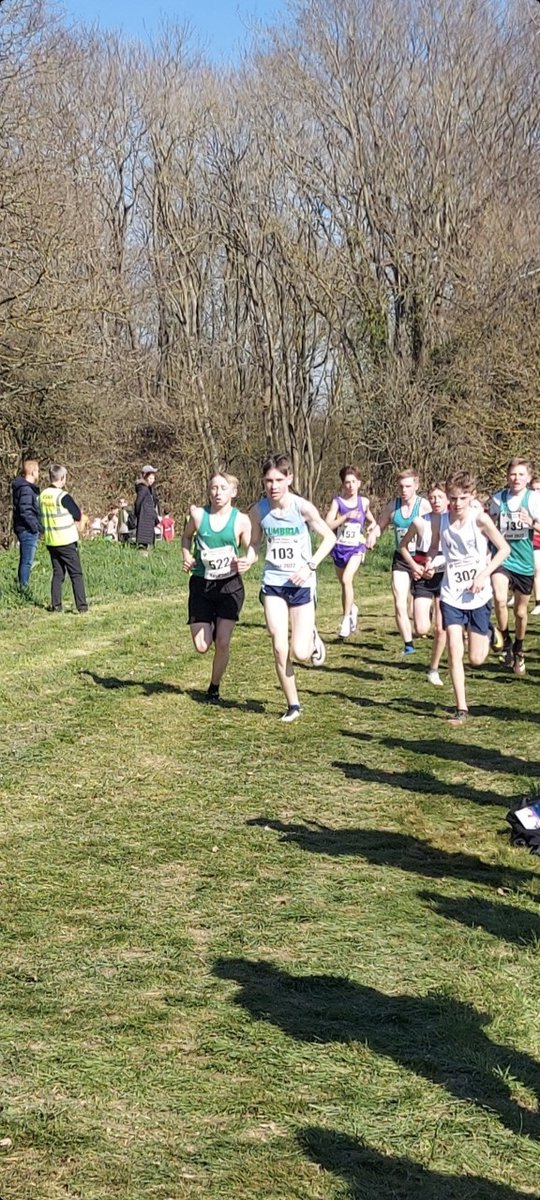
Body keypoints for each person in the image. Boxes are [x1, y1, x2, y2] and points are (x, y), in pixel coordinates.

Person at [246, 453, 336, 722]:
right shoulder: (259, 511)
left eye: (278, 480)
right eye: (268, 481)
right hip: (273, 584)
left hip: (301, 584)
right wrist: (247, 560)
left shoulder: (303, 508)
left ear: (289, 479)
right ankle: (293, 704)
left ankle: (311, 636)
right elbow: (254, 544)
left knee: (301, 652)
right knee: (279, 646)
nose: (272, 486)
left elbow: (329, 538)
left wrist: (310, 565)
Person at [426, 471, 509, 725]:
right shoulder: (441, 521)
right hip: (452, 595)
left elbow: (504, 549)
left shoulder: (480, 519)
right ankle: (461, 708)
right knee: (454, 649)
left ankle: (490, 630)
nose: (457, 503)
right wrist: (431, 561)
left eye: (462, 498)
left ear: (471, 496)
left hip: (478, 595)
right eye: (453, 498)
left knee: (476, 658)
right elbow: (435, 546)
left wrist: (484, 574)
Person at [182, 472, 251, 703]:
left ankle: (214, 687)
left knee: (222, 642)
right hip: (202, 584)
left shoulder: (241, 519)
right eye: (213, 488)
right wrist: (186, 556)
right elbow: (186, 537)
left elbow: (252, 549)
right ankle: (210, 621)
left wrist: (247, 561)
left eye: (223, 487)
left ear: (233, 492)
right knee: (202, 646)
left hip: (229, 586)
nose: (217, 492)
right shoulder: (199, 515)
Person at [367, 469, 431, 654]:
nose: (404, 490)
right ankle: (408, 645)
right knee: (399, 602)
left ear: (416, 486)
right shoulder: (392, 507)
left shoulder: (424, 506)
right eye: (401, 486)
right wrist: (373, 535)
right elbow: (380, 525)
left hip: (421, 559)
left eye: (408, 486)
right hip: (401, 560)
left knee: (422, 625)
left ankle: (427, 613)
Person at [489, 458, 540, 675]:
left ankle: (519, 648)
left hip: (524, 561)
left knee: (520, 612)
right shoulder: (497, 499)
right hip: (503, 558)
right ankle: (506, 642)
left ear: (528, 478)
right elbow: (488, 525)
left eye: (520, 475)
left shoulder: (534, 499)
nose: (516, 478)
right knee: (500, 599)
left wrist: (532, 523)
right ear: (507, 476)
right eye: (512, 474)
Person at [399, 482, 448, 686]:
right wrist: (414, 566)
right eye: (433, 497)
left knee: (440, 628)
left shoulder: (452, 521)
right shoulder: (420, 522)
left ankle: (433, 669)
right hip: (423, 575)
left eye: (440, 497)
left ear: (447, 499)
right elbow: (402, 546)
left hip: (445, 576)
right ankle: (426, 610)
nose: (436, 501)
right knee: (421, 628)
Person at [325, 466, 376, 638]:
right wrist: (345, 517)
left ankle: (346, 620)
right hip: (339, 548)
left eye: (353, 482)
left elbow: (373, 521)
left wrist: (371, 530)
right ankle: (352, 608)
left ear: (359, 483)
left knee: (347, 579)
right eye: (347, 482)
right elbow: (327, 525)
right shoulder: (337, 502)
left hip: (356, 548)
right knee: (344, 584)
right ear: (343, 485)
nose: (350, 486)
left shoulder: (364, 502)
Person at [39, 464, 89, 613]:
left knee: (58, 573)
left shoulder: (42, 495)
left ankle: (56, 605)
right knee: (76, 574)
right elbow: (77, 514)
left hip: (51, 540)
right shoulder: (63, 496)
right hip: (66, 539)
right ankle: (82, 606)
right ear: (62, 478)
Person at [11, 458, 43, 591]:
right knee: (27, 561)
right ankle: (23, 588)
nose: (39, 474)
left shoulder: (25, 488)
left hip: (26, 528)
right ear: (32, 472)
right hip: (27, 530)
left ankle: (23, 586)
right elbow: (25, 511)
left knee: (27, 561)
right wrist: (35, 527)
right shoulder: (25, 489)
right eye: (37, 471)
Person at [135, 465, 160, 552]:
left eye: (153, 478)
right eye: (150, 478)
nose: (152, 480)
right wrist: (138, 513)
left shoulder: (149, 489)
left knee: (148, 539)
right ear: (145, 477)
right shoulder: (143, 488)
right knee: (143, 541)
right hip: (144, 517)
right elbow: (138, 502)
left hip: (149, 517)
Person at [531, 475, 540, 616]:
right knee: (537, 571)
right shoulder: (528, 503)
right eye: (534, 489)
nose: (536, 492)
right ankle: (538, 602)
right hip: (534, 543)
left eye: (539, 489)